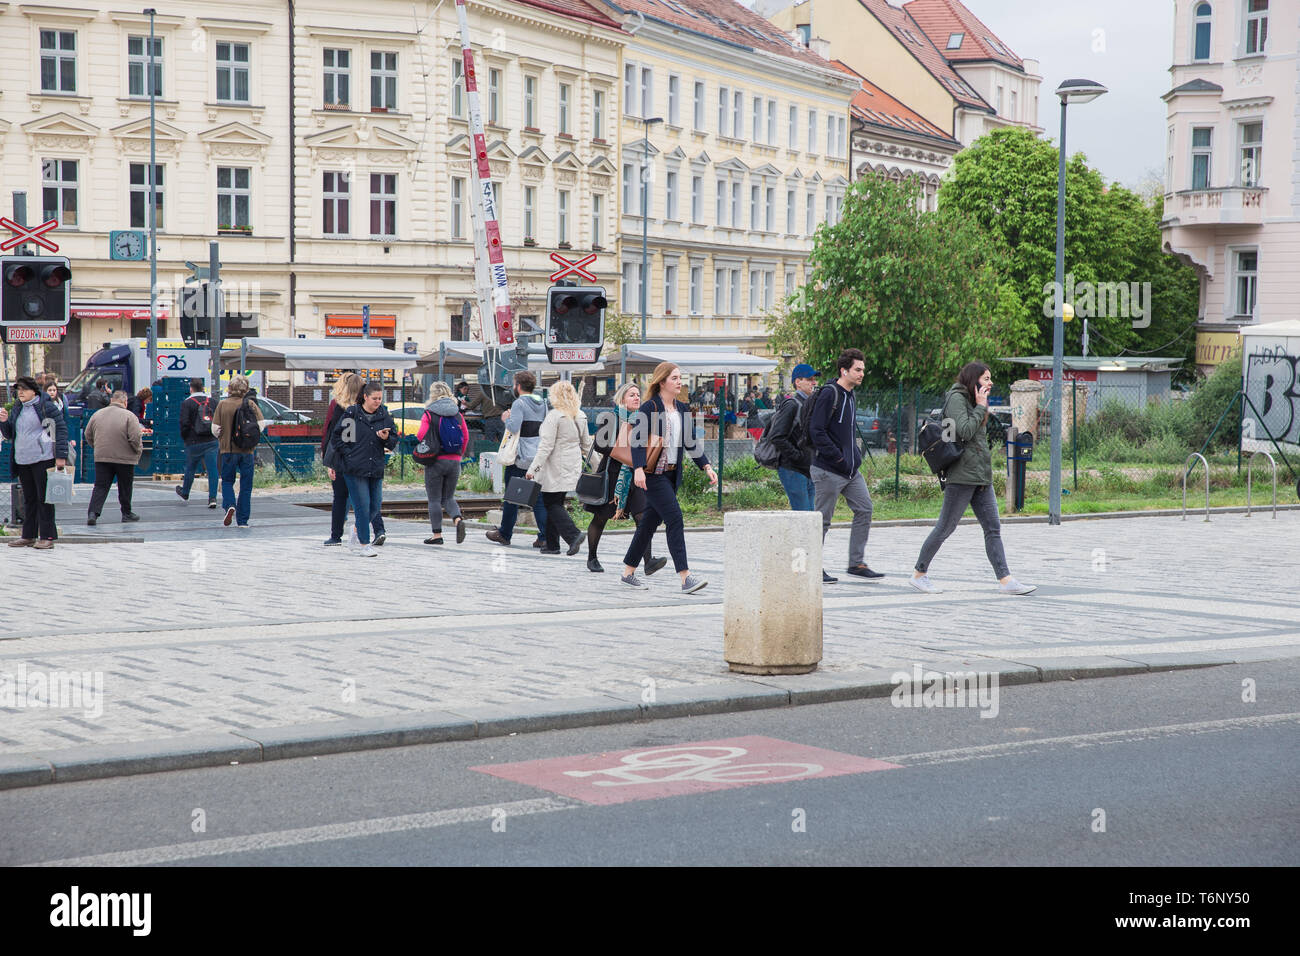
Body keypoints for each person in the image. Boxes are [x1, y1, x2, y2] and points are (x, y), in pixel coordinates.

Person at [910, 362, 1036, 595]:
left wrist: (980, 406)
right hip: (961, 475)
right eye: (986, 379)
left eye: (990, 379)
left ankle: (1006, 580)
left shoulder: (972, 400)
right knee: (945, 527)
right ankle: (919, 573)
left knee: (993, 528)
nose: (990, 383)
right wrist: (980, 406)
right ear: (973, 379)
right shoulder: (958, 398)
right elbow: (965, 430)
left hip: (979, 476)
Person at [619, 362, 717, 593]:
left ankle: (628, 572)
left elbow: (691, 441)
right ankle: (685, 577)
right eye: (674, 378)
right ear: (661, 382)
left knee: (648, 525)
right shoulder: (649, 407)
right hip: (654, 475)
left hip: (672, 474)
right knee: (675, 518)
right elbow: (637, 441)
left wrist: (707, 466)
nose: (679, 382)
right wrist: (639, 469)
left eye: (680, 377)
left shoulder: (682, 409)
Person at [809, 347, 880, 584]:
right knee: (822, 520)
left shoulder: (850, 394)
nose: (862, 374)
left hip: (850, 471)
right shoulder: (831, 393)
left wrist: (854, 458)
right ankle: (812, 567)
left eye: (863, 370)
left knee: (865, 508)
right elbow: (816, 431)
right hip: (828, 470)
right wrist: (838, 458)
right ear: (844, 370)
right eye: (857, 370)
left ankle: (856, 563)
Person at [584, 382, 666, 575]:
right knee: (601, 518)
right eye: (632, 395)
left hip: (637, 475)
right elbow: (598, 445)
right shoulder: (611, 418)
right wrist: (623, 451)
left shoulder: (644, 420)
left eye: (638, 395)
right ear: (622, 399)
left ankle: (648, 562)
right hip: (613, 476)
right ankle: (592, 557)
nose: (637, 398)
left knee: (643, 518)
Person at [325, 381, 397, 556]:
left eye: (380, 398)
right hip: (354, 469)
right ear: (365, 397)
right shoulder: (353, 413)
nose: (377, 402)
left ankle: (357, 529)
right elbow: (338, 438)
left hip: (376, 467)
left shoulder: (384, 414)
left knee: (375, 506)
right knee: (362, 506)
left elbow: (393, 440)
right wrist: (349, 455)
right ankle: (364, 545)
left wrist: (386, 439)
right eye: (374, 398)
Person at [1, 375, 69, 549]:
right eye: (18, 390)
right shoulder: (18, 408)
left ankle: (47, 536)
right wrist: (3, 422)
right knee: (29, 499)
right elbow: (10, 434)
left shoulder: (45, 407)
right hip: (23, 459)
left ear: (34, 391)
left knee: (44, 498)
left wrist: (61, 456)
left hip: (42, 458)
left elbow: (59, 430)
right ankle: (28, 535)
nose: (20, 392)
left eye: (24, 389)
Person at [526, 380, 593, 555]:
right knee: (555, 502)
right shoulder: (580, 415)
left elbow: (545, 447)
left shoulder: (554, 416)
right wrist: (598, 466)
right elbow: (587, 445)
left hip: (554, 467)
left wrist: (532, 469)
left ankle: (573, 535)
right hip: (572, 465)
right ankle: (551, 544)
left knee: (551, 503)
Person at [486, 371, 549, 548]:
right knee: (538, 499)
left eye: (514, 384)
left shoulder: (519, 403)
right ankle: (544, 537)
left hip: (519, 457)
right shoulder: (543, 403)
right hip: (535, 457)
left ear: (518, 386)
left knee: (512, 498)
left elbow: (514, 427)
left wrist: (506, 418)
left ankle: (505, 534)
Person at [417, 381, 469, 545]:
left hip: (435, 460)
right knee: (448, 497)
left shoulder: (429, 413)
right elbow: (465, 437)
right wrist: (458, 455)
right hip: (454, 461)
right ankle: (457, 520)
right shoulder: (457, 414)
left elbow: (421, 435)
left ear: (433, 394)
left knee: (434, 499)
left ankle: (437, 535)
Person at [83, 390, 143, 525]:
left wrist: (97, 447)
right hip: (125, 458)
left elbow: (88, 434)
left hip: (102, 457)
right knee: (125, 486)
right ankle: (126, 513)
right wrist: (137, 452)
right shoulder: (129, 416)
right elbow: (135, 438)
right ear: (125, 401)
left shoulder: (97, 414)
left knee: (100, 486)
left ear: (111, 400)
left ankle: (93, 513)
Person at [213, 374, 265, 529]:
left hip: (228, 450)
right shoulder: (250, 404)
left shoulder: (222, 405)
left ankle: (230, 504)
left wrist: (224, 434)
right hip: (247, 451)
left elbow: (215, 429)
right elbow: (261, 425)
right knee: (246, 486)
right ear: (245, 388)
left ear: (230, 388)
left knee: (228, 481)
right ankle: (243, 521)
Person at [767, 363, 818, 512]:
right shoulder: (792, 405)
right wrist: (798, 457)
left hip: (808, 468)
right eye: (809, 379)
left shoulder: (808, 403)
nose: (814, 383)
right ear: (798, 382)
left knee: (811, 517)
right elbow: (776, 436)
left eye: (814, 379)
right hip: (793, 469)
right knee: (803, 515)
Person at [320, 373, 363, 546]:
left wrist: (328, 457)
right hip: (361, 457)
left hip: (340, 457)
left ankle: (335, 535)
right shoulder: (365, 408)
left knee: (340, 497)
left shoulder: (336, 406)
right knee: (364, 497)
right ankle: (373, 531)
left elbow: (329, 432)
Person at [176, 378, 220, 509]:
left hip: (193, 441)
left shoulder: (187, 403)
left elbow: (184, 423)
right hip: (211, 440)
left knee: (190, 467)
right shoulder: (213, 402)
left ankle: (185, 493)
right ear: (203, 388)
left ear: (191, 388)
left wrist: (186, 438)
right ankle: (212, 498)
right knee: (212, 469)